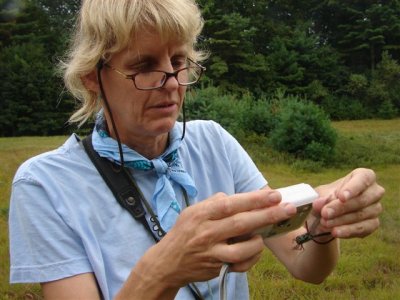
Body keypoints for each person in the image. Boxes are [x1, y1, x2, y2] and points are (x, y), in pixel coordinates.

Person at [9, 0, 384, 299]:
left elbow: (307, 268)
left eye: (177, 61)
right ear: (92, 78)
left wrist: (321, 227)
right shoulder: (44, 184)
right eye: (143, 65)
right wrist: (163, 269)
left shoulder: (213, 142)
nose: (171, 82)